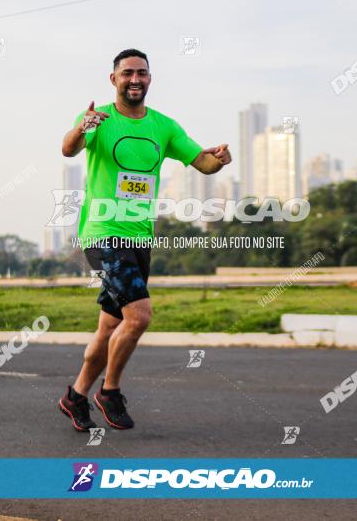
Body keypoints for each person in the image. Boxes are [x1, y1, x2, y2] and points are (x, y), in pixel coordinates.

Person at [58, 48, 231, 431]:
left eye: (142, 73)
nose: (135, 79)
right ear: (114, 79)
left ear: (149, 79)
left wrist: (219, 158)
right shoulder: (97, 119)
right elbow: (68, 149)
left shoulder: (164, 126)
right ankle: (110, 392)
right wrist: (82, 127)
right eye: (127, 73)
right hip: (104, 233)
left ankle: (75, 396)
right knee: (139, 316)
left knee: (109, 326)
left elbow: (202, 163)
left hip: (139, 238)